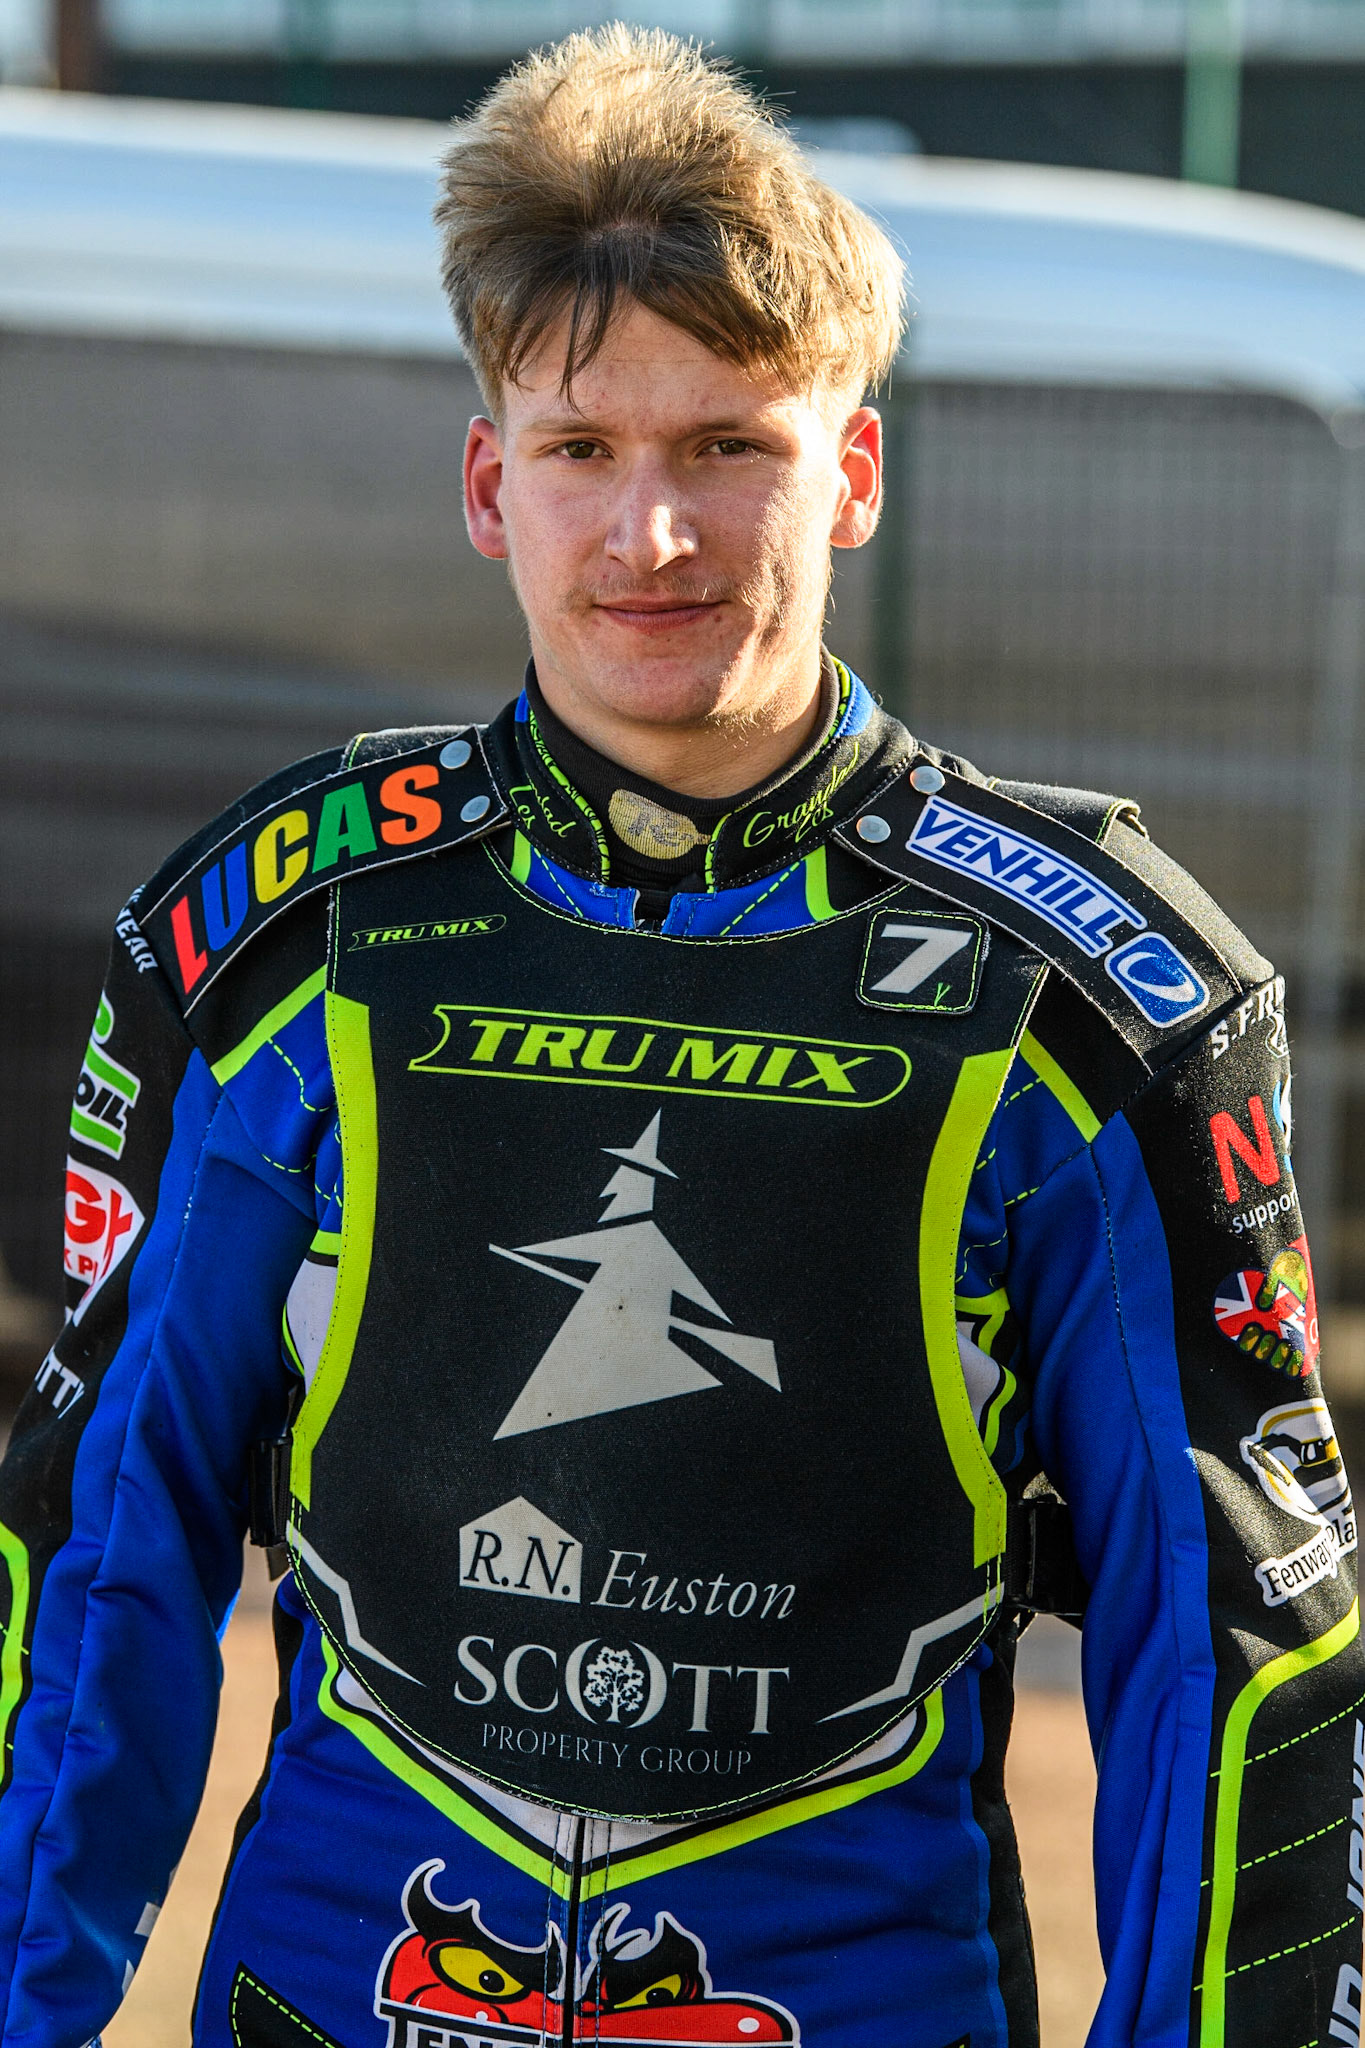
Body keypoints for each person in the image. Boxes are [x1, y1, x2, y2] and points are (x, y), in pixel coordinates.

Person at [1, 25, 1360, 2048]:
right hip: (341, 1992)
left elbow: (1233, 1646)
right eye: (582, 452)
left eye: (729, 445)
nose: (651, 537)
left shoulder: (1095, 998)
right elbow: (105, 1554)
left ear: (853, 470)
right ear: (489, 482)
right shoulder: (273, 938)